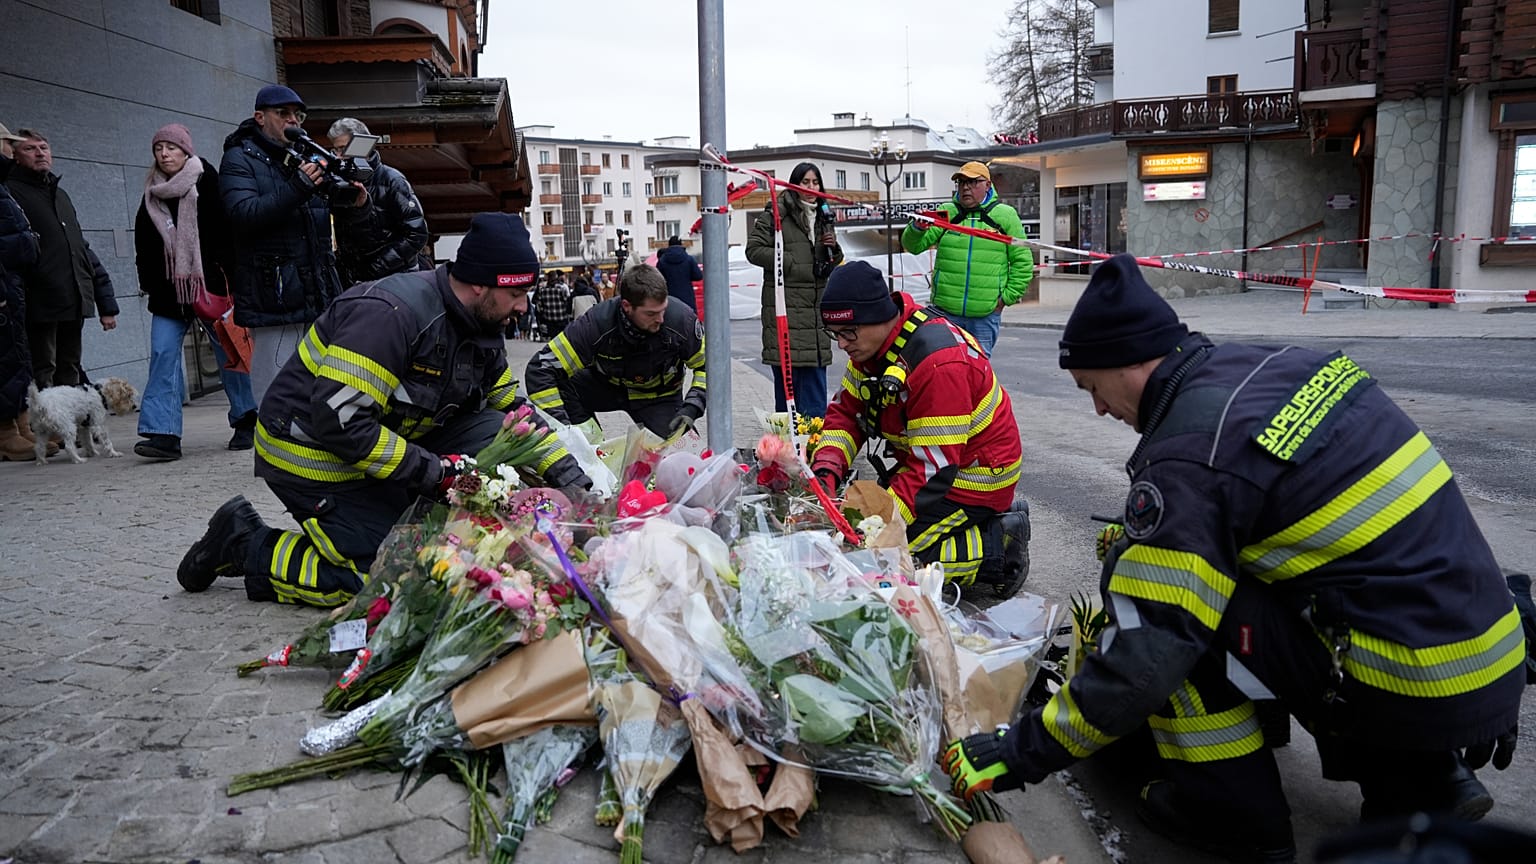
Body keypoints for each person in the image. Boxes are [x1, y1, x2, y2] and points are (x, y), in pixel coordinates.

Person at [940, 255, 1526, 863]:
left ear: (1131, 363)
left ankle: (1234, 815)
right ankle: (1419, 781)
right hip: (1486, 644)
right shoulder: (1286, 367)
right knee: (1292, 575)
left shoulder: (1190, 454)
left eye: (1092, 387)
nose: (1098, 409)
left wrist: (1020, 752)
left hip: (1407, 680)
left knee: (1173, 618)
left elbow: (1150, 651)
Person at [176, 213, 591, 607]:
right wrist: (439, 476)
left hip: (376, 445)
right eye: (516, 294)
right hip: (311, 452)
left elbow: (512, 415)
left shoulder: (482, 326)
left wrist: (574, 482)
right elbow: (343, 423)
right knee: (389, 574)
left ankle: (401, 509)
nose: (523, 308)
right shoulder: (391, 316)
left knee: (489, 428)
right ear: (480, 285)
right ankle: (245, 543)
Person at [807, 260, 1028, 592]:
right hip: (935, 467)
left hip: (973, 478)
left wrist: (882, 529)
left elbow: (933, 470)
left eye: (848, 333)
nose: (841, 344)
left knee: (888, 560)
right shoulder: (871, 350)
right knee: (859, 541)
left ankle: (1000, 544)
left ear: (878, 316)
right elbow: (845, 416)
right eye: (835, 334)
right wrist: (826, 471)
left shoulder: (937, 363)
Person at [132, 123, 258, 461]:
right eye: (159, 149)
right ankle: (164, 435)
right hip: (169, 294)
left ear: (186, 150)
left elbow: (228, 236)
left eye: (171, 147)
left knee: (229, 353)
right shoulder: (151, 193)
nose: (164, 154)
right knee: (162, 355)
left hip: (212, 287)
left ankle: (247, 420)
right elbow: (144, 246)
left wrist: (231, 281)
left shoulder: (208, 182)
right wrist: (150, 282)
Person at [219, 84, 346, 403]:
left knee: (322, 382)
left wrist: (355, 201)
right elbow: (242, 214)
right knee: (277, 385)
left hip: (316, 288)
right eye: (283, 113)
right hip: (274, 290)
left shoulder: (305, 155)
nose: (293, 121)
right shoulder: (239, 159)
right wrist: (298, 187)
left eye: (298, 115)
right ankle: (273, 448)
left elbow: (323, 218)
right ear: (260, 117)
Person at [524, 263, 706, 439]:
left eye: (663, 310)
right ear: (627, 306)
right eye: (651, 314)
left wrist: (692, 406)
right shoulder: (596, 323)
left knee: (687, 461)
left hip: (659, 397)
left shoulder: (682, 321)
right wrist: (567, 432)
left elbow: (710, 367)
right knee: (564, 384)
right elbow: (541, 368)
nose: (660, 319)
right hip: (608, 388)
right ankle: (591, 448)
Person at [5, 128, 118, 387]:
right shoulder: (11, 192)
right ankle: (46, 427)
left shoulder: (60, 194)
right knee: (43, 369)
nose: (40, 153)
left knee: (70, 368)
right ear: (15, 155)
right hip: (39, 302)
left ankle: (70, 426)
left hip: (72, 299)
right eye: (30, 148)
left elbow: (80, 249)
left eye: (44, 147)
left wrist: (106, 302)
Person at [900, 161, 1032, 356]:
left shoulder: (1005, 215)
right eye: (961, 183)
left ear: (987, 185)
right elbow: (913, 246)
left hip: (984, 316)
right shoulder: (947, 212)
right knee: (944, 367)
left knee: (977, 372)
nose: (965, 188)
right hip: (945, 311)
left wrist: (1005, 299)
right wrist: (917, 229)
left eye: (972, 183)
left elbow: (1023, 262)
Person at [746, 162, 843, 418]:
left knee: (814, 393)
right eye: (805, 182)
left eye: (815, 182)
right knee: (789, 397)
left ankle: (813, 449)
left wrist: (834, 251)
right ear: (793, 184)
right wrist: (789, 261)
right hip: (786, 310)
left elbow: (826, 264)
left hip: (815, 316)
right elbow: (753, 250)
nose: (811, 188)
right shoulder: (778, 213)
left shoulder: (824, 216)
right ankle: (789, 450)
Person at [325, 118, 430, 287]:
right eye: (336, 150)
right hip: (355, 281)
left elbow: (416, 233)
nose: (339, 156)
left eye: (344, 149)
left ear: (363, 146)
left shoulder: (392, 180)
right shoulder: (338, 183)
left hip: (397, 278)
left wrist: (376, 268)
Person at [0, 126, 43, 461]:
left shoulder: (4, 185)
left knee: (16, 357)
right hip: (4, 283)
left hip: (13, 283)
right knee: (6, 359)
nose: (11, 150)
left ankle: (22, 423)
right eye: (6, 143)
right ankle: (6, 432)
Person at [655, 235, 703, 312]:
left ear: (669, 245)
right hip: (687, 299)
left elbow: (658, 280)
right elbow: (698, 276)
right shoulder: (689, 259)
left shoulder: (662, 260)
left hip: (670, 300)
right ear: (681, 245)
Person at [534, 269, 572, 339]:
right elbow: (567, 302)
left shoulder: (543, 290)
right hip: (561, 318)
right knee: (563, 338)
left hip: (549, 319)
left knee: (554, 339)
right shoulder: (561, 289)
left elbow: (539, 306)